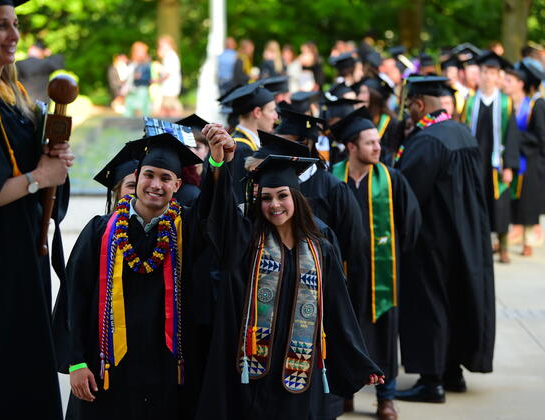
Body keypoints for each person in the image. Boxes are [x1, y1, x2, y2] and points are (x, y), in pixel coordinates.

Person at [194, 129, 384, 419]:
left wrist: (360, 361)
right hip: (252, 371)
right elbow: (218, 215)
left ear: (296, 197)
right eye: (267, 198)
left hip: (299, 370)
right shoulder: (246, 241)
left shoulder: (321, 248)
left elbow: (338, 308)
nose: (275, 205)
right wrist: (220, 163)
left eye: (282, 195)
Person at [64, 127, 230, 419]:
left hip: (166, 371)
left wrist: (216, 162)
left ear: (177, 185)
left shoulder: (188, 229)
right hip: (107, 369)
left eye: (166, 178)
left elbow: (215, 212)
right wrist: (76, 362)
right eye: (149, 175)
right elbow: (73, 298)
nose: (156, 184)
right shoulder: (99, 231)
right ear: (137, 178)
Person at [0, 1, 74, 418]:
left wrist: (55, 158)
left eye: (15, 24)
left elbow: (39, 170)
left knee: (26, 358)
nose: (14, 34)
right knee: (4, 365)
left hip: (24, 253)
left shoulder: (14, 95)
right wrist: (41, 177)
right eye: (1, 26)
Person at [393, 76, 495, 403]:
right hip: (465, 236)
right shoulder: (461, 132)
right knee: (454, 300)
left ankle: (431, 380)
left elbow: (408, 193)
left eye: (410, 104)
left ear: (420, 104)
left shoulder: (427, 141)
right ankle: (453, 371)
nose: (407, 111)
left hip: (432, 240)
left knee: (429, 305)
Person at [330, 108, 421, 420]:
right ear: (351, 147)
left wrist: (390, 255)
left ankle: (386, 398)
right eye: (369, 143)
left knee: (383, 333)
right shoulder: (332, 179)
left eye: (378, 142)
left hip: (380, 272)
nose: (377, 148)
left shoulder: (392, 179)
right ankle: (343, 394)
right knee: (341, 331)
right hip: (340, 272)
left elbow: (411, 224)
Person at [462, 51, 520, 263]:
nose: (488, 77)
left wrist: (509, 167)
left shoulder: (506, 103)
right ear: (480, 74)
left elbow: (512, 136)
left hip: (498, 162)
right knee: (477, 202)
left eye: (492, 73)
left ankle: (503, 246)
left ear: (498, 77)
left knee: (500, 204)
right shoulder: (469, 102)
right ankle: (480, 245)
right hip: (476, 161)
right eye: (485, 72)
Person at [503, 61, 545, 256]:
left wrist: (516, 138)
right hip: (511, 156)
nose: (505, 84)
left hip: (529, 158)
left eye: (509, 81)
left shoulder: (535, 105)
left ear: (521, 83)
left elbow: (540, 136)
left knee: (528, 199)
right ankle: (511, 233)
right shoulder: (507, 104)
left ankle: (528, 240)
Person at [219, 82, 278, 203]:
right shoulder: (241, 149)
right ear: (257, 112)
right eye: (272, 111)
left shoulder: (243, 143)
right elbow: (239, 198)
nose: (276, 117)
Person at [354, 75, 401, 164]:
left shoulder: (392, 123)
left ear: (374, 96)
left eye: (364, 92)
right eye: (359, 93)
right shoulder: (360, 121)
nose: (359, 97)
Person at [15, 40, 64, 104]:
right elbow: (59, 62)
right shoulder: (46, 64)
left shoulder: (19, 64)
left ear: (31, 49)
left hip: (21, 103)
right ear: (42, 52)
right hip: (40, 105)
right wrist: (49, 53)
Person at [155, 35, 183, 118]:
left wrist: (157, 80)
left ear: (169, 45)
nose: (160, 47)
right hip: (169, 89)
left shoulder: (170, 56)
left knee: (169, 110)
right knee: (165, 110)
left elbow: (167, 74)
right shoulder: (169, 56)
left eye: (162, 45)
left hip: (169, 88)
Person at [124, 41, 152, 118]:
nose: (142, 54)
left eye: (143, 52)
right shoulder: (131, 63)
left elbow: (149, 79)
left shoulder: (146, 64)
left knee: (142, 112)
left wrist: (140, 77)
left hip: (142, 90)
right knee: (128, 112)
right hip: (131, 90)